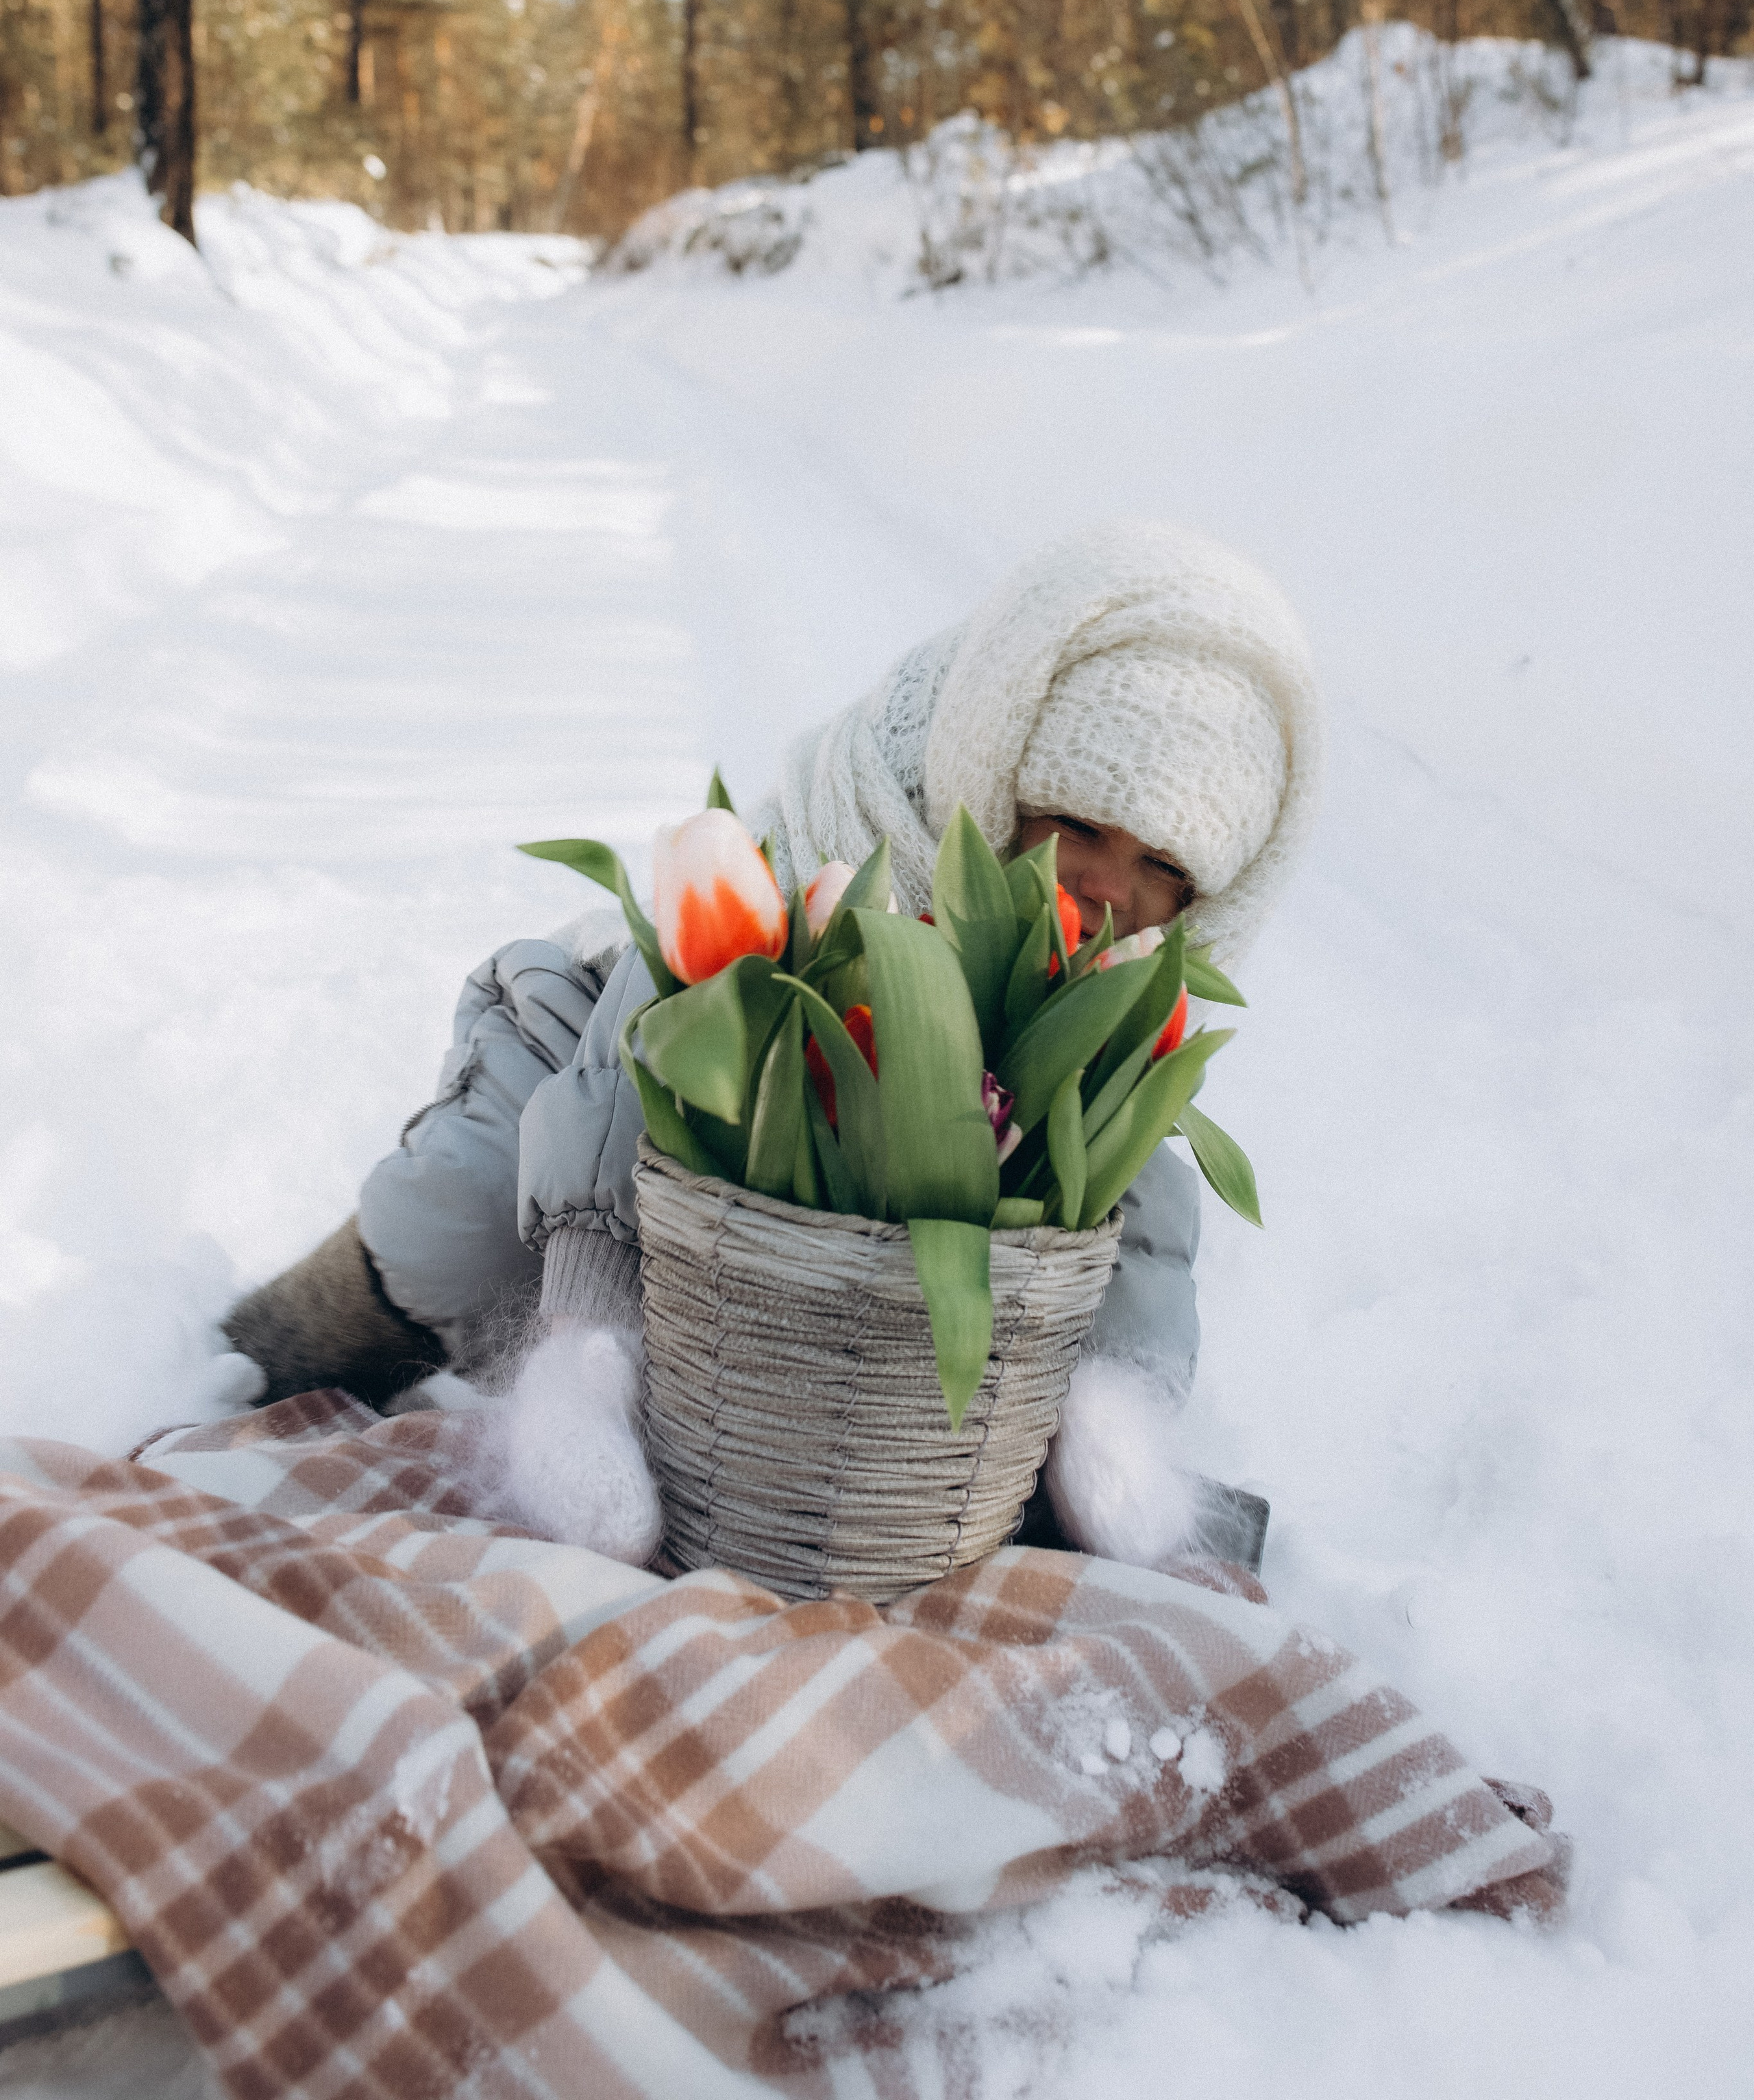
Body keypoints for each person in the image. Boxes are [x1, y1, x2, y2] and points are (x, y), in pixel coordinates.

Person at [223, 519, 1320, 1570]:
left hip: (791, 1203)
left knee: (1077, 1229)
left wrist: (1110, 1388)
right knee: (466, 1219)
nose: (1108, 886)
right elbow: (655, 1027)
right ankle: (310, 1341)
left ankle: (1097, 1428)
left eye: (1163, 864)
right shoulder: (861, 816)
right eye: (1077, 824)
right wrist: (591, 1326)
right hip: (602, 1047)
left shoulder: (1118, 969)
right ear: (1007, 766)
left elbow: (1135, 1192)